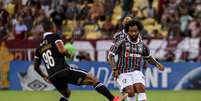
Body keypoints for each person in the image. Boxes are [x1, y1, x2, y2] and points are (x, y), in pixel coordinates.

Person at [33, 20, 126, 101]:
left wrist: (45, 76)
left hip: (52, 76)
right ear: (52, 28)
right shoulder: (54, 36)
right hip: (63, 70)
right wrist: (69, 54)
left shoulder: (39, 47)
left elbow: (35, 67)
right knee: (93, 80)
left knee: (66, 94)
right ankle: (113, 99)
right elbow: (62, 50)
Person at [107, 19, 164, 101]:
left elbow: (148, 57)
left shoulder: (143, 45)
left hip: (136, 71)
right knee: (130, 91)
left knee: (141, 88)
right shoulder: (121, 42)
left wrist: (157, 64)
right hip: (123, 72)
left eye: (135, 31)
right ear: (127, 31)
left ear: (139, 31)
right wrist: (114, 68)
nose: (133, 33)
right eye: (131, 31)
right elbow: (110, 55)